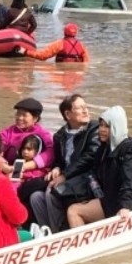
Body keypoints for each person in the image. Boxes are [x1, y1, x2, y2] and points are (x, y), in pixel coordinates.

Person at [66, 106, 132, 228]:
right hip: (110, 198)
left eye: (107, 126)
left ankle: (87, 247)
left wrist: (125, 207)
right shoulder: (104, 148)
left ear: (117, 127)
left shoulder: (130, 150)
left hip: (127, 204)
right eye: (101, 125)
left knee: (74, 211)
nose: (102, 130)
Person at [32, 94, 101, 233]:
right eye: (80, 108)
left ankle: (58, 233)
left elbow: (90, 157)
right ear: (68, 114)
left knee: (52, 192)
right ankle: (47, 231)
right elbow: (59, 160)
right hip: (68, 178)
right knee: (35, 197)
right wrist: (57, 168)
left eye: (85, 107)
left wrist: (64, 175)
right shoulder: (60, 135)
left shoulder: (94, 129)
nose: (85, 111)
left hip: (87, 178)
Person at [0, 97, 54, 186]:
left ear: (35, 118)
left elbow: (50, 154)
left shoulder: (43, 134)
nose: (19, 118)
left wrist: (24, 167)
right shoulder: (7, 133)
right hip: (9, 171)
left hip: (33, 173)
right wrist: (6, 168)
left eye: (24, 115)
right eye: (18, 114)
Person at [19, 23, 90, 62]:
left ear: (64, 32)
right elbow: (86, 62)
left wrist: (25, 51)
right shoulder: (82, 45)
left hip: (62, 72)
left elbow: (42, 56)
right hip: (76, 74)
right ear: (76, 32)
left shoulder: (59, 44)